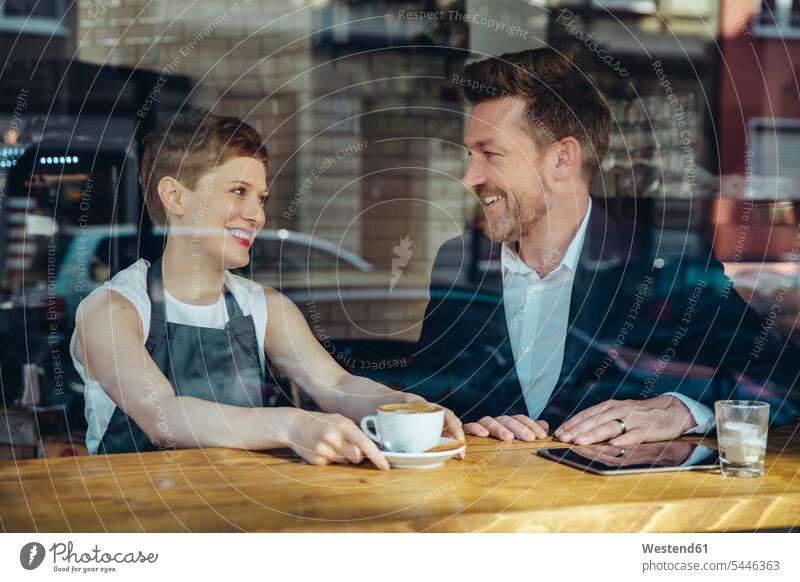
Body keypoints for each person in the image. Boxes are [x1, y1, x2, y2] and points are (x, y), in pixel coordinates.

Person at [406, 49, 800, 448]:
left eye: (490, 154)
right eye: (470, 155)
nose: (469, 177)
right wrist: (459, 419)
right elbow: (426, 393)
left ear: (562, 158)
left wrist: (681, 408)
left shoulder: (669, 265)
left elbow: (782, 377)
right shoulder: (456, 260)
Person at [70, 109, 462, 467]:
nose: (256, 215)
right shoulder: (111, 311)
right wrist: (292, 426)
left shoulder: (265, 307)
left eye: (261, 198)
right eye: (238, 191)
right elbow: (163, 416)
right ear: (175, 196)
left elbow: (337, 384)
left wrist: (402, 405)